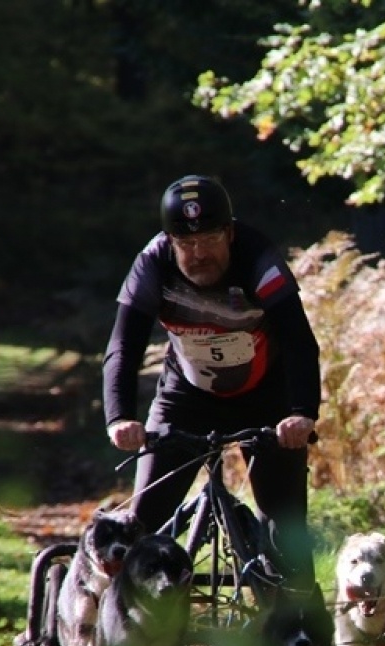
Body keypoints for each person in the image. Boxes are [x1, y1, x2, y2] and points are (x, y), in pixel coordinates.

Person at [102, 174, 320, 588]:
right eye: (186, 244)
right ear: (170, 241)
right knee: (143, 521)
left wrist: (302, 413)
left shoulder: (259, 259)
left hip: (268, 397)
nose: (199, 253)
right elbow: (123, 347)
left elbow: (298, 341)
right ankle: (128, 629)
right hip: (187, 396)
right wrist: (120, 418)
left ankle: (307, 643)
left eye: (210, 240)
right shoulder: (152, 262)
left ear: (230, 233)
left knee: (286, 536)